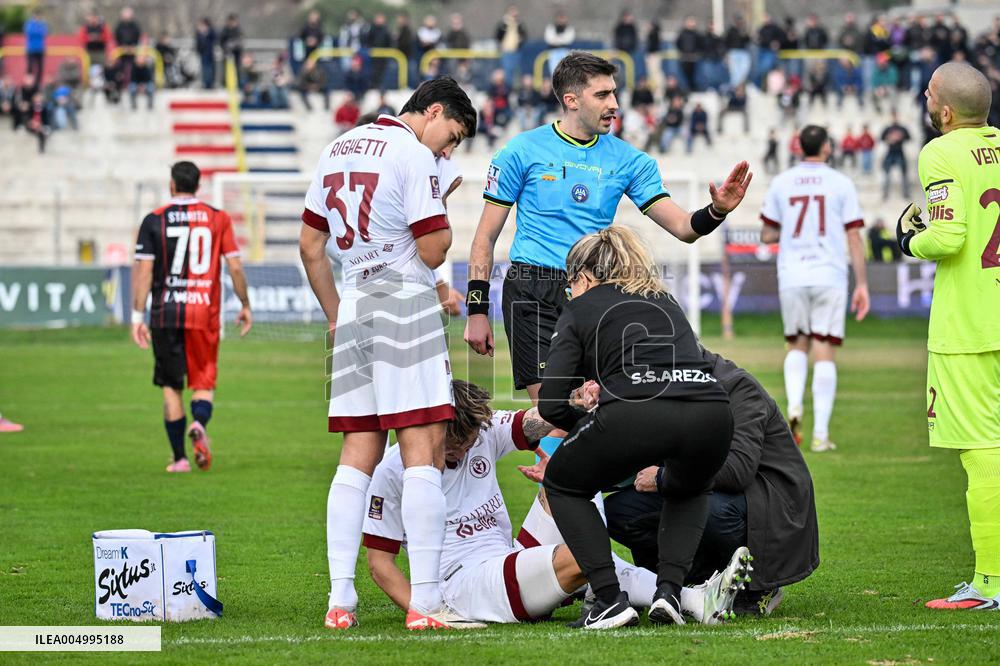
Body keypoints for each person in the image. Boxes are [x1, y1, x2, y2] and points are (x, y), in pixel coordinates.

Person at [465, 52, 750, 430]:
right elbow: (485, 236)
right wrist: (476, 309)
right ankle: (565, 486)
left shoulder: (631, 160)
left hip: (595, 292)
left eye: (614, 94)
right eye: (602, 95)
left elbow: (683, 227)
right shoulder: (521, 151)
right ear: (571, 100)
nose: (614, 105)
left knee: (597, 414)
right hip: (532, 290)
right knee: (553, 414)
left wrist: (716, 211)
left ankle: (579, 487)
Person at [298, 77, 477, 631]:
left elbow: (309, 246)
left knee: (357, 453)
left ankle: (340, 598)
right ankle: (425, 601)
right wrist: (440, 206)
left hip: (354, 303)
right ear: (435, 111)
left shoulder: (337, 147)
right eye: (453, 135)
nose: (449, 150)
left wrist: (335, 315)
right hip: (403, 302)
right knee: (421, 446)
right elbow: (433, 247)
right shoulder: (412, 152)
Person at [364, 380, 751, 627]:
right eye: (456, 441)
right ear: (431, 427)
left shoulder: (478, 430)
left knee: (575, 477)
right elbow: (379, 563)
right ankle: (672, 597)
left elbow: (536, 420)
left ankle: (677, 598)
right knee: (586, 556)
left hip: (506, 555)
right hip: (466, 585)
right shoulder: (392, 472)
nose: (466, 446)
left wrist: (576, 402)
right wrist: (423, 610)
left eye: (471, 437)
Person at [536, 226, 734, 629]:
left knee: (562, 483)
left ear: (585, 276)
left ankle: (608, 599)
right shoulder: (663, 298)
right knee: (689, 486)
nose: (569, 290)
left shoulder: (579, 308)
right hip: (712, 410)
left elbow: (551, 403)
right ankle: (669, 594)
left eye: (571, 280)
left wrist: (588, 416)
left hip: (636, 412)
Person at [602, 347, 819, 616]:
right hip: (712, 491)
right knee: (619, 512)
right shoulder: (670, 387)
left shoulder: (739, 388)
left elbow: (738, 470)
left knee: (712, 511)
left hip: (772, 506)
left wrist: (663, 477)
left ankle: (757, 587)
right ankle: (681, 587)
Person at [894, 62, 1000, 610]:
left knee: (982, 453)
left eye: (929, 90)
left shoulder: (940, 152)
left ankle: (989, 584)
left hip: (971, 327)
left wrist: (908, 241)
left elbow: (950, 236)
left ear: (945, 111)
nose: (925, 97)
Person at [131, 161, 252, 473]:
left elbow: (144, 271)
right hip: (204, 313)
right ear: (198, 186)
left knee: (172, 387)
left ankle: (180, 459)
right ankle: (198, 422)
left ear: (172, 184)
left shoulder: (153, 220)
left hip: (164, 314)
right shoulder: (218, 218)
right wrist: (245, 304)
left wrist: (136, 315)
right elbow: (235, 267)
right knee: (203, 382)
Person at [759, 125, 870, 451]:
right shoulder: (841, 183)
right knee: (824, 349)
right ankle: (821, 434)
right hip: (829, 275)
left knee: (796, 346)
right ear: (826, 147)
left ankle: (794, 409)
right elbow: (853, 235)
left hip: (793, 275)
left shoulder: (782, 182)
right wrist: (862, 284)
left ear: (798, 147)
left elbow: (767, 234)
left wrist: (794, 230)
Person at [881, 111, 912, 199]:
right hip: (890, 153)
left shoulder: (902, 128)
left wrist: (900, 137)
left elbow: (909, 137)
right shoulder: (888, 128)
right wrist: (889, 138)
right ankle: (885, 194)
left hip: (899, 152)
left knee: (904, 174)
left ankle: (906, 193)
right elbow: (882, 138)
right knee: (886, 174)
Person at [24, 8, 47, 82]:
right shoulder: (29, 24)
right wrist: (38, 31)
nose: (38, 17)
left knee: (40, 68)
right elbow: (29, 32)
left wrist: (37, 31)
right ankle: (29, 82)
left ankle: (38, 82)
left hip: (40, 49)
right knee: (30, 66)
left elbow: (44, 33)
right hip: (31, 49)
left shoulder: (42, 24)